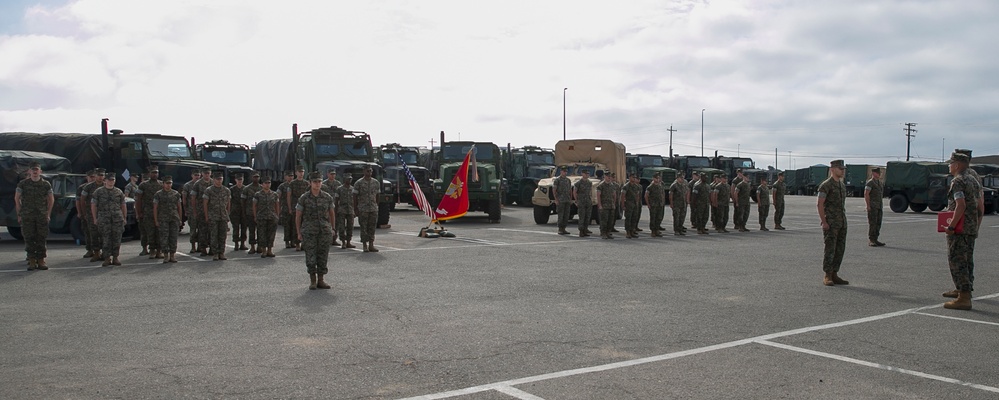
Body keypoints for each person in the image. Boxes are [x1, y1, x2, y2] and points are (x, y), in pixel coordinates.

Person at [941, 152, 984, 310]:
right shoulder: (973, 179)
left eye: (951, 164)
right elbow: (979, 206)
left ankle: (964, 298)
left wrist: (951, 227)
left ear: (957, 165)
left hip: (960, 228)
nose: (949, 166)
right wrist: (976, 225)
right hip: (970, 227)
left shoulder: (958, 181)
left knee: (957, 261)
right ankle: (962, 289)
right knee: (967, 260)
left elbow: (960, 205)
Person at [296, 172, 336, 290]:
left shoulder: (327, 197)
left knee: (323, 255)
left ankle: (321, 280)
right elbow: (298, 216)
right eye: (315, 182)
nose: (317, 184)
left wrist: (333, 228)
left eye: (319, 181)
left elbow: (332, 213)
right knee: (311, 256)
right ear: (310, 183)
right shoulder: (304, 198)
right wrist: (298, 232)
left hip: (324, 231)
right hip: (309, 231)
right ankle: (313, 280)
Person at [16, 162, 55, 270]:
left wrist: (48, 213)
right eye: (32, 170)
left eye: (36, 169)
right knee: (29, 237)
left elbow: (51, 199)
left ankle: (41, 260)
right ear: (29, 171)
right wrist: (19, 214)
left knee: (41, 237)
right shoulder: (23, 184)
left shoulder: (46, 184)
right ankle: (32, 259)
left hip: (41, 215)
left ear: (40, 171)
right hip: (27, 215)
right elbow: (17, 199)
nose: (34, 171)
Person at [817, 160, 849, 286]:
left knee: (840, 249)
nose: (842, 171)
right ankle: (827, 275)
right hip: (830, 223)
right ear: (833, 169)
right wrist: (823, 221)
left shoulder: (842, 185)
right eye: (840, 169)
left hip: (841, 222)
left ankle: (835, 273)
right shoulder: (826, 185)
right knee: (830, 248)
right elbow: (820, 204)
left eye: (843, 169)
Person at [91, 173, 126, 267]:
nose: (111, 182)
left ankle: (115, 257)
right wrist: (95, 218)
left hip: (117, 219)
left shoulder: (119, 192)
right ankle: (107, 258)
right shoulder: (98, 192)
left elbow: (123, 205)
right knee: (106, 238)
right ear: (105, 181)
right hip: (104, 218)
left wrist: (124, 217)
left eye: (113, 180)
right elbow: (94, 205)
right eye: (110, 180)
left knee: (117, 239)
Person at [153, 175, 182, 263]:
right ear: (163, 184)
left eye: (170, 183)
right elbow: (155, 208)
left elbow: (179, 207)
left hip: (174, 218)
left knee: (173, 237)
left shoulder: (176, 194)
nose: (169, 185)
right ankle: (165, 255)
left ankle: (172, 255)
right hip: (163, 219)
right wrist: (156, 220)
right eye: (167, 183)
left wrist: (180, 219)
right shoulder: (158, 194)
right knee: (164, 237)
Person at [203, 171, 232, 261]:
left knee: (223, 236)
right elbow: (205, 204)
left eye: (221, 179)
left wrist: (227, 214)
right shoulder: (209, 190)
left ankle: (221, 253)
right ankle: (215, 253)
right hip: (213, 216)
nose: (219, 181)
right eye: (217, 179)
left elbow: (228, 204)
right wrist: (207, 216)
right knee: (214, 235)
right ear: (214, 179)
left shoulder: (226, 190)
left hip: (223, 216)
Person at [135, 165, 162, 259]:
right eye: (153, 172)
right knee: (150, 232)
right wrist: (139, 213)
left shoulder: (161, 184)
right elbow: (138, 199)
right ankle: (152, 250)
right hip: (148, 212)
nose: (155, 174)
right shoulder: (143, 185)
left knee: (159, 232)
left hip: (160, 212)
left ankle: (159, 250)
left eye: (156, 172)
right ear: (149, 174)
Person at [81, 168, 106, 262]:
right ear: (95, 176)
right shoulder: (88, 187)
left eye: (102, 175)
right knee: (94, 234)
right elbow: (82, 200)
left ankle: (105, 252)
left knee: (104, 234)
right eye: (99, 175)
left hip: (104, 214)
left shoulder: (106, 186)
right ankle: (96, 252)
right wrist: (84, 213)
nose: (100, 177)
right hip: (91, 214)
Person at [354, 166, 380, 252]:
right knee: (364, 228)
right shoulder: (359, 183)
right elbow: (355, 196)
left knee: (372, 227)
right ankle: (365, 245)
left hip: (373, 208)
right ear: (364, 171)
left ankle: (371, 245)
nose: (369, 173)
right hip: (363, 208)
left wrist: (376, 205)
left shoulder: (375, 182)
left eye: (370, 171)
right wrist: (356, 208)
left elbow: (377, 195)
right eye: (367, 171)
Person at [252, 178, 279, 258]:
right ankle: (263, 250)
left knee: (271, 234)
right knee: (262, 234)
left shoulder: (274, 194)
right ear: (262, 184)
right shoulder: (258, 194)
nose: (267, 184)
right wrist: (255, 216)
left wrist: (277, 215)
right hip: (261, 216)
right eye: (266, 183)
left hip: (272, 216)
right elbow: (254, 206)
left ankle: (269, 250)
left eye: (269, 183)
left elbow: (277, 205)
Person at [287, 166, 309, 250]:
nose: (301, 173)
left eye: (302, 172)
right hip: (295, 206)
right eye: (299, 172)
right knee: (296, 225)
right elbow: (289, 196)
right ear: (296, 173)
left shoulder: (306, 183)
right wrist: (289, 208)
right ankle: (297, 243)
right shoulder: (292, 183)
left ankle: (304, 243)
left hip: (305, 207)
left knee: (305, 225)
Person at [192, 167, 213, 255]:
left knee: (212, 231)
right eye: (205, 173)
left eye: (208, 173)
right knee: (202, 231)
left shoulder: (213, 182)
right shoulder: (197, 184)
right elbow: (193, 198)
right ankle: (203, 248)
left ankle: (212, 248)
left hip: (213, 211)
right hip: (201, 210)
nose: (207, 175)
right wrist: (194, 211)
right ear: (202, 174)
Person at [242, 172, 263, 254]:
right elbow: (243, 201)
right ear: (251, 177)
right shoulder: (247, 188)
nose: (256, 179)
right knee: (251, 230)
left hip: (260, 213)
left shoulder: (262, 188)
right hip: (250, 212)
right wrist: (244, 212)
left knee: (260, 231)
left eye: (257, 177)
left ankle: (260, 246)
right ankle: (252, 247)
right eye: (254, 177)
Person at [77, 170, 96, 259]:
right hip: (87, 212)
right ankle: (89, 250)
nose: (92, 178)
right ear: (87, 177)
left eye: (94, 176)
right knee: (87, 232)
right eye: (91, 177)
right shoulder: (82, 188)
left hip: (98, 213)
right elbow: (78, 201)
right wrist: (80, 212)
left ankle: (98, 250)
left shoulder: (99, 186)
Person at [182, 169, 202, 253]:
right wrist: (186, 210)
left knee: (202, 229)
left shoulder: (202, 184)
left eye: (198, 175)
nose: (197, 176)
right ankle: (193, 246)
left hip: (201, 210)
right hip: (191, 210)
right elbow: (184, 199)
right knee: (193, 229)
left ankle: (200, 246)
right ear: (192, 175)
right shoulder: (187, 185)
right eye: (195, 175)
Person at [865, 167, 885, 246]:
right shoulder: (870, 183)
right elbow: (866, 194)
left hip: (879, 206)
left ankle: (876, 239)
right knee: (873, 223)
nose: (879, 174)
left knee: (878, 223)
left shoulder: (879, 183)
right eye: (878, 173)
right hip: (873, 206)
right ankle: (871, 240)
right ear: (874, 173)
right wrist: (868, 205)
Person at [321, 169, 342, 247]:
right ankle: (326, 239)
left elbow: (340, 195)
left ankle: (334, 239)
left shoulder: (338, 184)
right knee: (326, 223)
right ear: (327, 174)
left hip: (335, 206)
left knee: (335, 223)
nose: (333, 176)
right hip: (326, 206)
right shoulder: (323, 184)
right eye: (331, 174)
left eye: (334, 174)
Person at [335, 175, 356, 248]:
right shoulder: (339, 189)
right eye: (348, 179)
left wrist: (355, 210)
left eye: (350, 179)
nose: (349, 181)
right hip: (342, 210)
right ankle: (343, 241)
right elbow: (336, 200)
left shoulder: (353, 189)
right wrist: (336, 210)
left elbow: (355, 200)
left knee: (350, 226)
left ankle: (348, 242)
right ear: (344, 180)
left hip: (350, 209)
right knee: (341, 227)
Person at [229, 173, 248, 251]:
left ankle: (243, 243)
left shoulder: (246, 189)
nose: (240, 181)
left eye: (241, 179)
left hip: (244, 211)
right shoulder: (232, 189)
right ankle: (236, 243)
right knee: (236, 228)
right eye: (238, 179)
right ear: (235, 180)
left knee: (244, 228)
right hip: (235, 211)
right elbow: (229, 201)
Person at [276, 170, 295, 249]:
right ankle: (287, 241)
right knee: (287, 226)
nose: (290, 177)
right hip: (285, 208)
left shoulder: (295, 184)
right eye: (289, 176)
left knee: (294, 226)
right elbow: (277, 197)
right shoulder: (282, 186)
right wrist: (279, 208)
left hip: (294, 208)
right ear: (285, 177)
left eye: (292, 176)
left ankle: (293, 241)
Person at [596, 172, 617, 239]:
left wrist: (614, 203)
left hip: (611, 205)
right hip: (604, 205)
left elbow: (614, 195)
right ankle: (603, 233)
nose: (609, 177)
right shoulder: (601, 185)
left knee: (610, 220)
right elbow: (598, 195)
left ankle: (608, 232)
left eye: (610, 176)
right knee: (603, 220)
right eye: (607, 176)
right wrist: (600, 205)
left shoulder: (612, 185)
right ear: (604, 176)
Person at [644, 173, 666, 237]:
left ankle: (657, 230)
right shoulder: (650, 187)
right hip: (653, 205)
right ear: (653, 178)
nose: (658, 179)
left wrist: (663, 201)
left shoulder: (660, 185)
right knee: (653, 218)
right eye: (656, 178)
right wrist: (648, 204)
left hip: (660, 204)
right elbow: (646, 196)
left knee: (659, 218)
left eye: (658, 178)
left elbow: (662, 194)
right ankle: (653, 231)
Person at [621, 174, 642, 238]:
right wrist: (623, 205)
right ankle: (628, 232)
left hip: (635, 204)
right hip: (628, 204)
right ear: (629, 178)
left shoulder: (636, 186)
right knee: (628, 218)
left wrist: (637, 202)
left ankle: (632, 231)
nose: (634, 179)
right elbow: (623, 195)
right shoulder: (626, 186)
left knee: (634, 218)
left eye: (635, 177)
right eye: (633, 177)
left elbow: (637, 195)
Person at [572, 169, 593, 237]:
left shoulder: (589, 183)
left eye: (588, 174)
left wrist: (590, 199)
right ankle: (581, 231)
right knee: (582, 216)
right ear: (582, 174)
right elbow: (574, 192)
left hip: (588, 201)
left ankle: (585, 229)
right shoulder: (578, 183)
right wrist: (576, 200)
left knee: (587, 216)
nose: (587, 175)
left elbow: (590, 191)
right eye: (586, 173)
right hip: (581, 201)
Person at [552, 166, 572, 235]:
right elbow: (554, 190)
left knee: (566, 215)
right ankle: (560, 229)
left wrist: (570, 199)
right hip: (560, 200)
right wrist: (556, 199)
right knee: (561, 215)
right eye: (564, 171)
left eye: (566, 171)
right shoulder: (557, 180)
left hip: (567, 199)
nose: (565, 173)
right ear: (561, 172)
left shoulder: (568, 180)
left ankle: (564, 228)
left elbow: (570, 190)